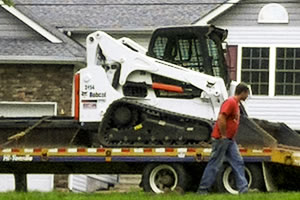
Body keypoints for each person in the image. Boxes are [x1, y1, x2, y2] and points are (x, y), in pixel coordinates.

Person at [197, 82, 250, 194]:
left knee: (238, 162)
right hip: (222, 139)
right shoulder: (230, 102)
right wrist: (223, 135)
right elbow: (221, 117)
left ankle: (243, 189)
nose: (247, 96)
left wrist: (230, 137)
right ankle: (203, 190)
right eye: (247, 93)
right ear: (243, 92)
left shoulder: (236, 104)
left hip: (230, 140)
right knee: (215, 164)